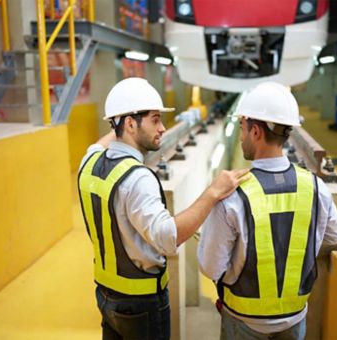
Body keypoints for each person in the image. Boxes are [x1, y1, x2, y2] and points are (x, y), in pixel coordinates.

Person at [78, 77, 249, 340]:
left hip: (105, 295)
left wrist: (119, 122)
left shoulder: (88, 164)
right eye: (155, 119)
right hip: (141, 303)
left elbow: (102, 143)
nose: (162, 128)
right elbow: (167, 237)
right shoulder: (138, 179)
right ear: (131, 124)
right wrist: (213, 192)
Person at [197, 82, 337, 340]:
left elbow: (211, 267)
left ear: (255, 132)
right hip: (294, 319)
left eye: (242, 128)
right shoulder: (315, 188)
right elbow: (334, 235)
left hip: (242, 321)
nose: (241, 136)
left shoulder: (232, 196)